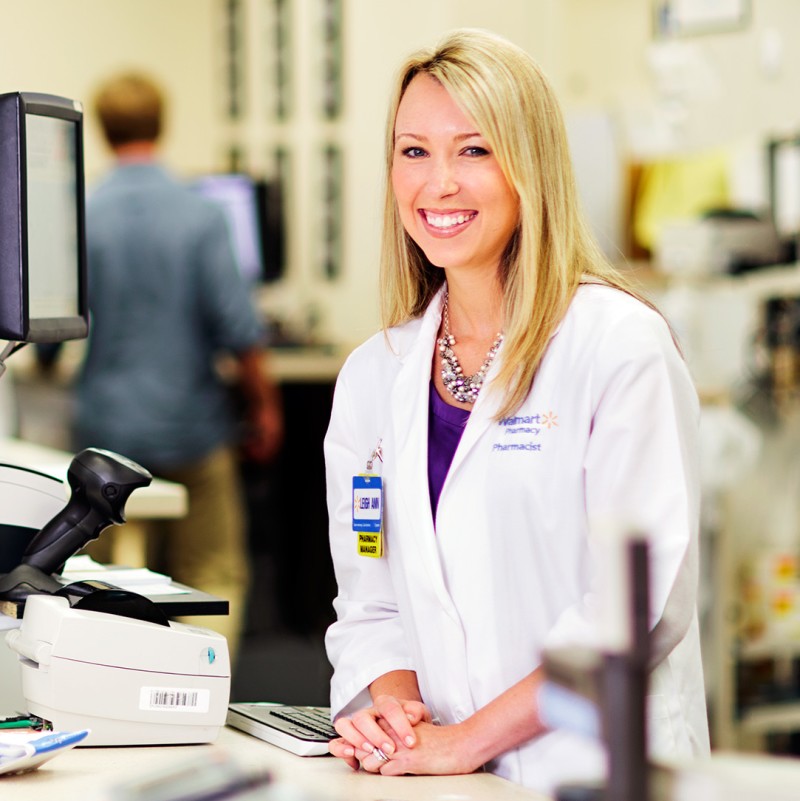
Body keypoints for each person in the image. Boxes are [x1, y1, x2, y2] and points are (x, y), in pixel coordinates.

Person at [323, 29, 709, 793]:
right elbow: (370, 598)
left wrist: (467, 739)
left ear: (528, 166)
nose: (437, 184)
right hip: (443, 774)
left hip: (594, 767)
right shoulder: (376, 375)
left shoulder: (617, 347)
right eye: (413, 152)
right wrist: (396, 714)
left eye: (473, 150)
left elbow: (634, 609)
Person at [74, 72, 283, 662]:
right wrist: (264, 407)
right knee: (213, 568)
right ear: (160, 123)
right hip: (190, 426)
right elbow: (239, 330)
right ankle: (201, 692)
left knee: (112, 575)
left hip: (108, 430)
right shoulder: (200, 215)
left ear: (106, 129)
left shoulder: (84, 214)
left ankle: (116, 689)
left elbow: (51, 325)